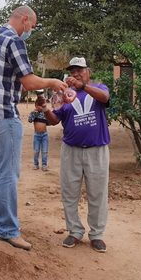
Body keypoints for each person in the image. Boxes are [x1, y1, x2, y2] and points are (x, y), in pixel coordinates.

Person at [0, 5, 68, 251]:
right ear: (24, 20)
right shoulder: (15, 42)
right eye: (32, 26)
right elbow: (27, 82)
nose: (31, 31)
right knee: (8, 172)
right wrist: (52, 82)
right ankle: (6, 229)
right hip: (3, 115)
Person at [42, 57, 111, 253]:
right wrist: (46, 109)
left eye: (79, 70)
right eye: (72, 71)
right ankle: (74, 231)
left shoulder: (98, 88)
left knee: (97, 193)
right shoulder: (65, 95)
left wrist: (84, 86)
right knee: (69, 193)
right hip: (71, 150)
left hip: (96, 149)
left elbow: (105, 99)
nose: (75, 73)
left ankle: (96, 235)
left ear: (88, 71)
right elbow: (56, 120)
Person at [27, 95, 49, 171]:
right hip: (37, 135)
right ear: (36, 106)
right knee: (36, 151)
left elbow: (49, 122)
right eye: (38, 106)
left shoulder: (45, 113)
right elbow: (30, 120)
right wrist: (34, 112)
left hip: (44, 135)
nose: (40, 108)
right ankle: (36, 164)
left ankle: (44, 165)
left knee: (45, 151)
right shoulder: (34, 113)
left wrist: (45, 110)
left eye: (41, 106)